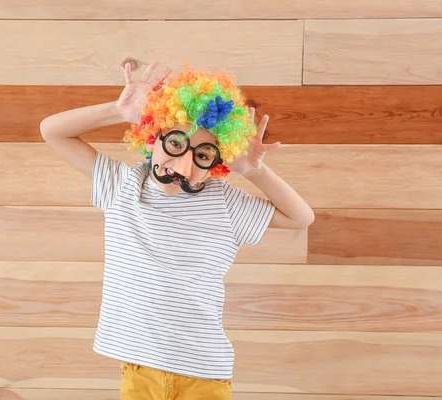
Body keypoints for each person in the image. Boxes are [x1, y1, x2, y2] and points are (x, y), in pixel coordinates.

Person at [40, 61, 315, 400]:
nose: (183, 165)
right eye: (175, 145)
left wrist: (253, 171)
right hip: (140, 368)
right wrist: (119, 110)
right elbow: (52, 130)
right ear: (153, 136)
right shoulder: (124, 186)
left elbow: (301, 217)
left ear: (217, 161)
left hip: (203, 373)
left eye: (203, 155)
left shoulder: (223, 202)